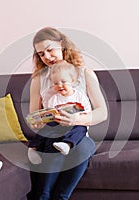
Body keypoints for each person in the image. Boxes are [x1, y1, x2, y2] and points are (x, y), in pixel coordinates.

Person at [27, 27, 108, 200]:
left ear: (62, 45)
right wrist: (39, 121)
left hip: (77, 134)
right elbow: (33, 115)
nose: (47, 57)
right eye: (41, 54)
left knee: (83, 148)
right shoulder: (38, 79)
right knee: (52, 148)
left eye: (50, 50)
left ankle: (60, 197)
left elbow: (102, 112)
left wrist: (75, 118)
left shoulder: (85, 73)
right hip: (51, 132)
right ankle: (44, 194)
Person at [28, 60, 92, 164]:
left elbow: (88, 115)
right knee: (46, 127)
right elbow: (50, 114)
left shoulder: (80, 96)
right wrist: (43, 119)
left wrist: (76, 118)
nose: (60, 85)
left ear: (72, 81)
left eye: (63, 82)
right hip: (57, 127)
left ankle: (67, 144)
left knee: (82, 129)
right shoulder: (54, 99)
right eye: (55, 83)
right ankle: (33, 148)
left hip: (74, 125)